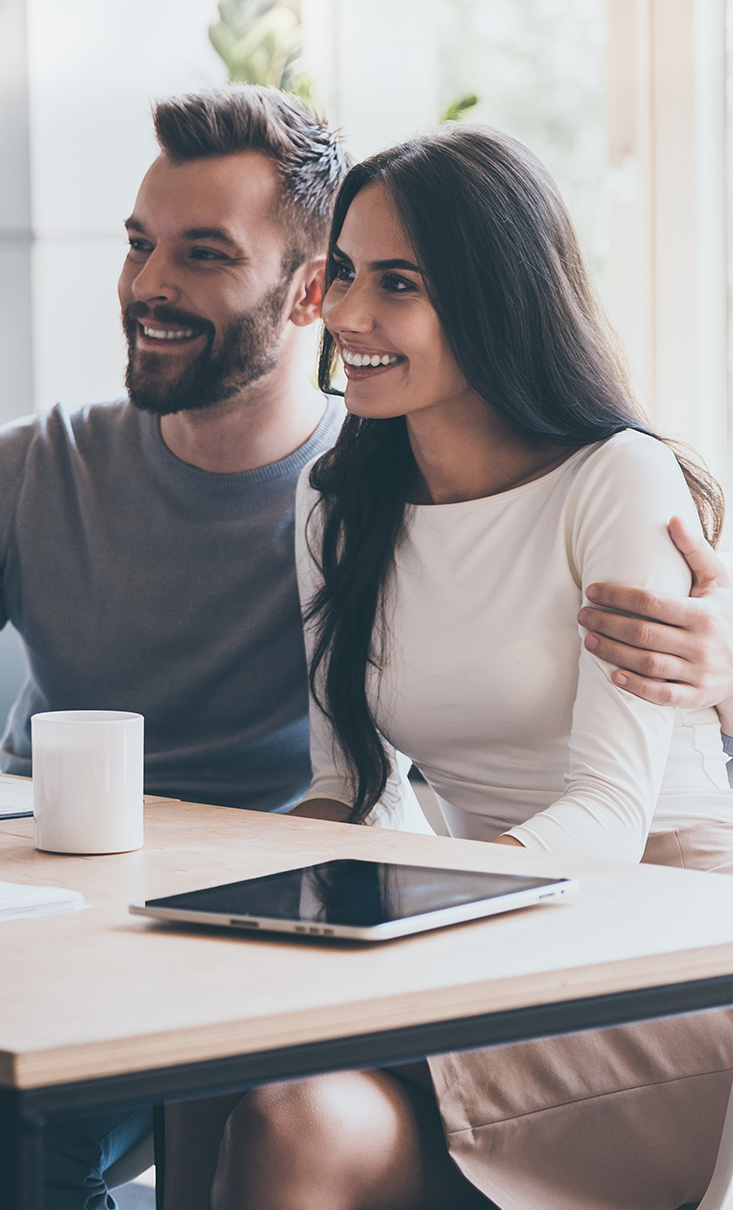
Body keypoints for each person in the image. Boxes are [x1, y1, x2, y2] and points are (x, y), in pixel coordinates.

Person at [0, 89, 733, 1208]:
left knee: (47, 1107)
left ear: (300, 295)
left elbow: (594, 808)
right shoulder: (277, 494)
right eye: (136, 244)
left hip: (544, 936)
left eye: (203, 254)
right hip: (82, 926)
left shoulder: (556, 480)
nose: (149, 285)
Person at [170, 127, 733, 1210]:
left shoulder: (615, 479)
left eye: (397, 284)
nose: (344, 315)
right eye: (340, 273)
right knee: (198, 1059)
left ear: (493, 298)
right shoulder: (337, 497)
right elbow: (352, 787)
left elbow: (609, 820)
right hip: (474, 925)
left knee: (282, 1107)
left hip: (663, 936)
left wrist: (400, 926)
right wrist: (229, 890)